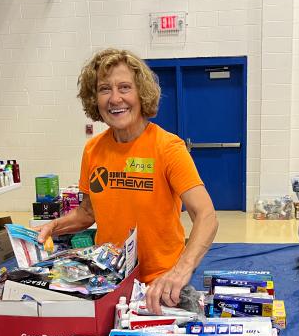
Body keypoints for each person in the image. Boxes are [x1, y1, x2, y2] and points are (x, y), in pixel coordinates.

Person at [37, 48, 218, 315]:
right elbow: (88, 212)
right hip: (109, 281)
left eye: (124, 87)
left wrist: (179, 272)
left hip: (159, 285)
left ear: (141, 93)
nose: (115, 98)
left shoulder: (167, 148)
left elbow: (206, 215)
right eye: (104, 89)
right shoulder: (93, 150)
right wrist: (54, 227)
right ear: (94, 98)